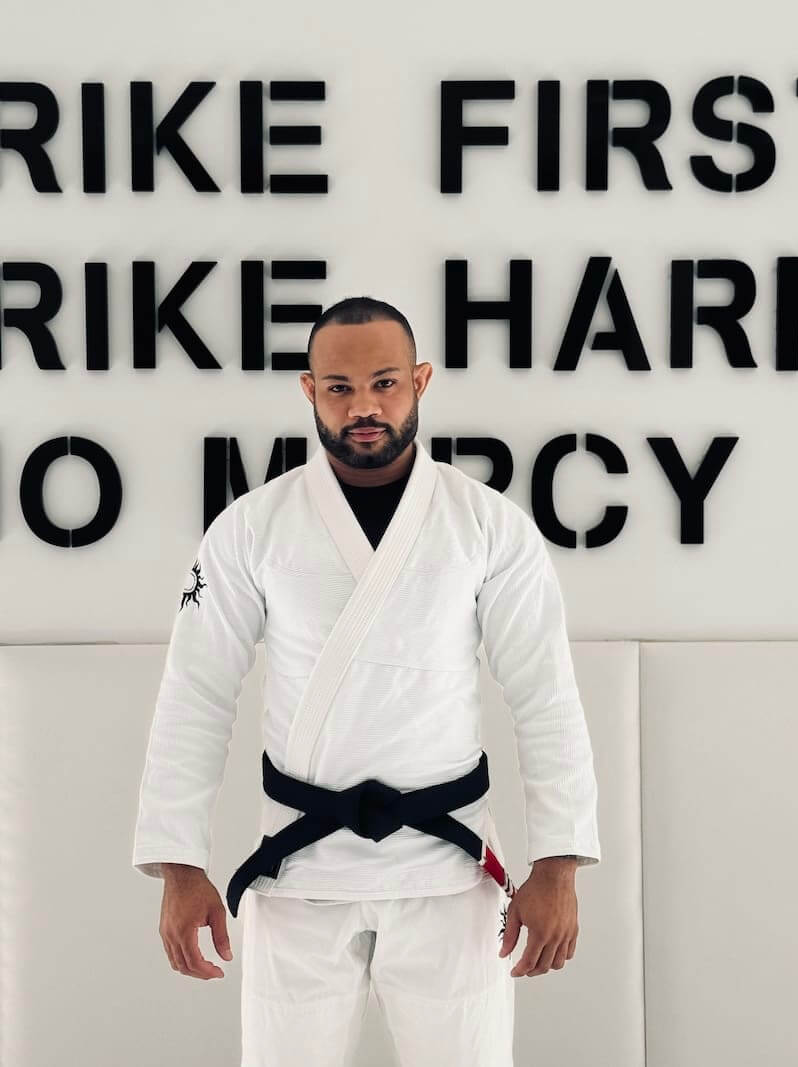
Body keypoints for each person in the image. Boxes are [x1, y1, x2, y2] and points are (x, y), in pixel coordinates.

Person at [132, 296, 601, 1067]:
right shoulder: (252, 528)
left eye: (384, 383)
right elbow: (196, 694)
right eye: (341, 388)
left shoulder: (486, 525)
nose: (365, 407)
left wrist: (560, 859)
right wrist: (178, 863)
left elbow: (544, 691)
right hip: (299, 871)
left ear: (420, 381)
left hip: (450, 875)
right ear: (309, 390)